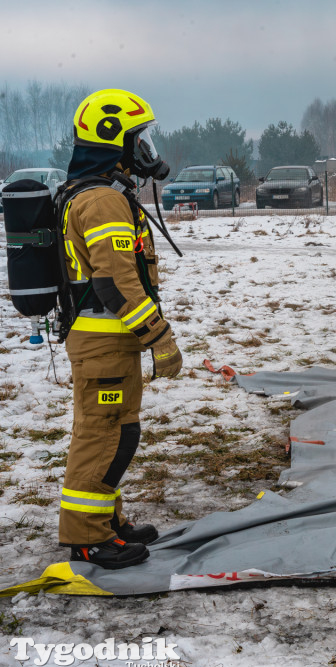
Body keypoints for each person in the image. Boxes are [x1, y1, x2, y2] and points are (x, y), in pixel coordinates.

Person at [59, 89, 181, 569]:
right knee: (106, 435)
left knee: (110, 431)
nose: (146, 149)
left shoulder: (97, 193)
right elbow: (115, 283)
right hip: (103, 344)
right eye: (139, 139)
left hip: (106, 344)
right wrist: (160, 337)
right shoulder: (103, 201)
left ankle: (106, 521)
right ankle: (88, 538)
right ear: (114, 141)